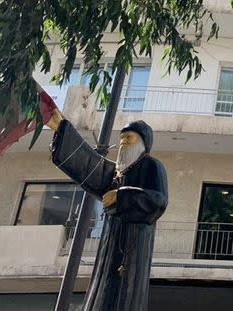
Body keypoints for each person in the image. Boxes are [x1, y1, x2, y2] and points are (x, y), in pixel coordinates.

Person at [48, 111, 168, 311]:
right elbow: (88, 166)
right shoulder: (117, 173)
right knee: (102, 290)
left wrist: (122, 197)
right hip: (110, 242)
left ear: (143, 142)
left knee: (125, 295)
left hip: (135, 245)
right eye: (121, 138)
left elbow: (159, 201)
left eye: (128, 137)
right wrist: (62, 130)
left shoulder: (152, 166)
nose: (122, 142)